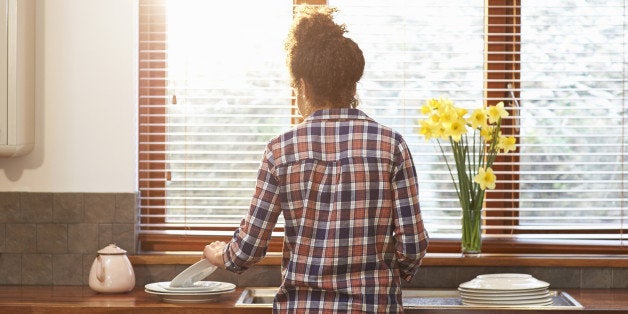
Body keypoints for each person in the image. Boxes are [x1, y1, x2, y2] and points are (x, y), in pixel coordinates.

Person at [204, 6, 428, 313]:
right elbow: (412, 245)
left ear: (304, 86)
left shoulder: (280, 151)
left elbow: (248, 250)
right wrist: (389, 277)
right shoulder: (391, 145)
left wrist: (220, 254)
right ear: (352, 86)